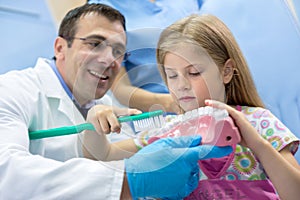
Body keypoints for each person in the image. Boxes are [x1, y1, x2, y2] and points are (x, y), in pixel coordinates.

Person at [0, 4, 233, 199]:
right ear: (60, 47)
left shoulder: (116, 117)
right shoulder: (13, 91)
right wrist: (127, 181)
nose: (108, 59)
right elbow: (6, 172)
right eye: (94, 44)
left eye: (119, 51)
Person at [84, 14, 300, 199]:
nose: (182, 85)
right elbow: (102, 155)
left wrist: (257, 144)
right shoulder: (168, 132)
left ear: (226, 72)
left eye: (194, 73)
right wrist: (94, 120)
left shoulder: (259, 121)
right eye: (172, 76)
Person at [87, 0, 203, 113]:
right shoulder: (104, 8)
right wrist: (171, 103)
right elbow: (121, 89)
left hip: (208, 97)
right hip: (160, 115)